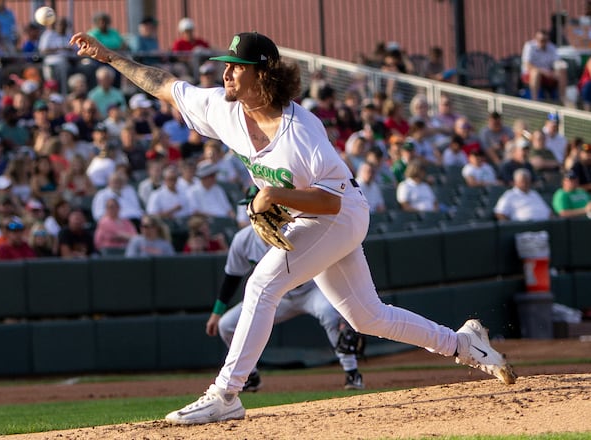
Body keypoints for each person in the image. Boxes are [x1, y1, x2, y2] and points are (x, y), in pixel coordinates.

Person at [70, 30, 516, 425]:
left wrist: (273, 195)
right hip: (312, 216)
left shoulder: (301, 131)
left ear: (262, 75)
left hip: (339, 213)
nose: (226, 73)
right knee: (367, 316)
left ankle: (225, 394)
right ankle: (464, 344)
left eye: (236, 67)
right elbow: (164, 85)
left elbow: (331, 201)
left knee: (263, 284)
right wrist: (109, 57)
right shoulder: (223, 108)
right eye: (226, 66)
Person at [208, 224, 365, 392]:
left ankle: (352, 372)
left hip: (311, 291)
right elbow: (232, 277)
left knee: (330, 313)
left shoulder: (297, 227)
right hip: (276, 297)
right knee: (226, 325)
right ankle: (251, 376)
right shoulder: (243, 239)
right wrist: (217, 312)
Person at [521, 29, 567, 105]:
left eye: (545, 40)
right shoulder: (529, 46)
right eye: (541, 40)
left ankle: (562, 99)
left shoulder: (552, 47)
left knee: (562, 71)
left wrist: (556, 71)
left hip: (547, 75)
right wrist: (543, 71)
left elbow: (557, 62)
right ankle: (535, 100)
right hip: (531, 74)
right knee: (536, 73)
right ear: (536, 39)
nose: (543, 42)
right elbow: (527, 64)